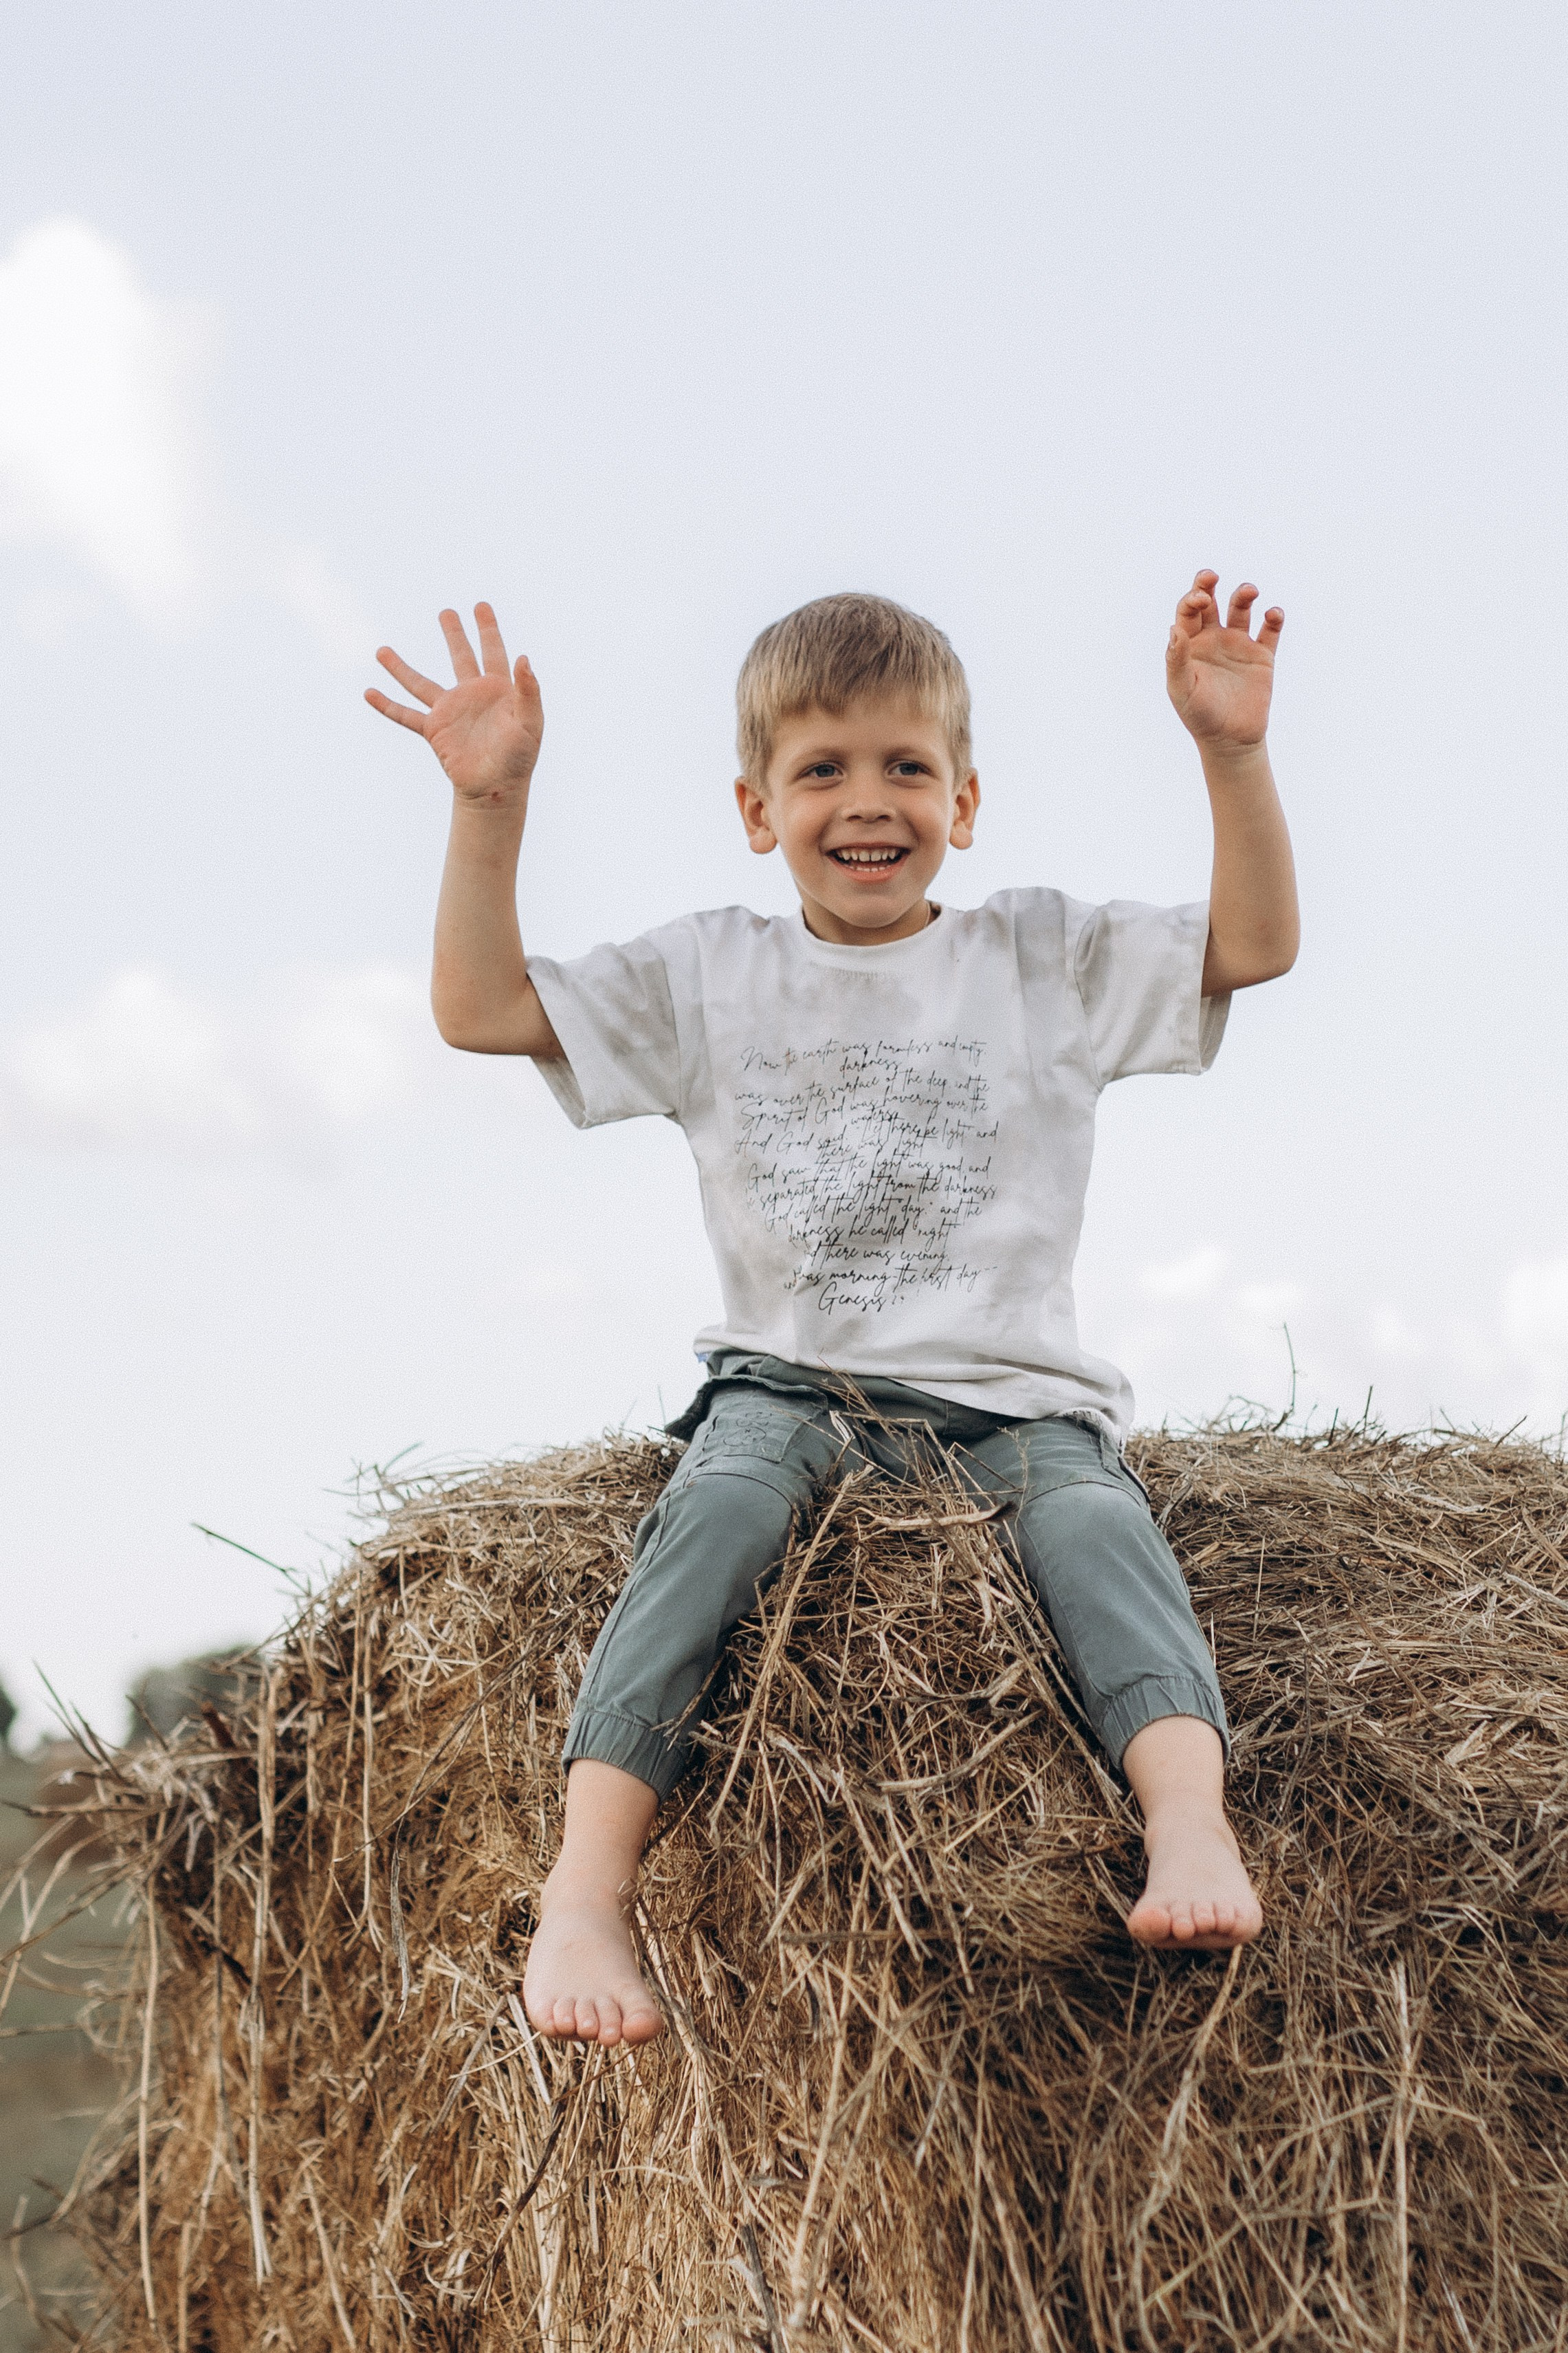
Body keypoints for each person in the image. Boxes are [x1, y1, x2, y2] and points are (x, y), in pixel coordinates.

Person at [366, 573, 1298, 2046]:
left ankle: (1189, 1824)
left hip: (1017, 1396)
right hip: (789, 1389)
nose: (868, 802)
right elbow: (482, 1011)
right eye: (822, 770)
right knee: (714, 1520)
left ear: (966, 799)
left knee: (1100, 1531)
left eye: (906, 767)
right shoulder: (709, 976)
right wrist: (492, 806)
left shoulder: (1039, 958)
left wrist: (1228, 753)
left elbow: (1247, 947)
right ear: (757, 810)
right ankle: (587, 1890)